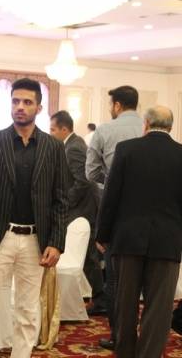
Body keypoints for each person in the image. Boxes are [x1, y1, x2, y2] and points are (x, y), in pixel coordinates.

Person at [0, 78, 68, 358]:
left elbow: (61, 199)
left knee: (27, 312)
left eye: (27, 102)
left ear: (39, 108)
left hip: (36, 240)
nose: (20, 107)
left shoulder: (53, 147)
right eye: (15, 101)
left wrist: (56, 242)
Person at [96, 106, 182, 358]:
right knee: (159, 308)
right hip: (167, 242)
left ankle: (124, 352)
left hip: (127, 239)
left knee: (125, 303)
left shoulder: (126, 149)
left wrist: (103, 234)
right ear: (170, 127)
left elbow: (111, 195)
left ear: (145, 124)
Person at [85, 85, 143, 350]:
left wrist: (110, 182)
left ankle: (120, 336)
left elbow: (91, 172)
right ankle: (147, 337)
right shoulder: (148, 128)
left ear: (117, 105)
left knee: (116, 279)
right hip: (150, 214)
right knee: (147, 281)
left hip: (117, 213)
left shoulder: (105, 130)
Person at [49, 111, 101, 298]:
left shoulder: (73, 148)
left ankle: (99, 296)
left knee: (88, 254)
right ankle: (93, 294)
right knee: (86, 253)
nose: (50, 133)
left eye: (53, 130)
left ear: (64, 129)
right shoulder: (71, 144)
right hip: (81, 206)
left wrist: (65, 203)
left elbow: (83, 181)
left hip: (83, 207)